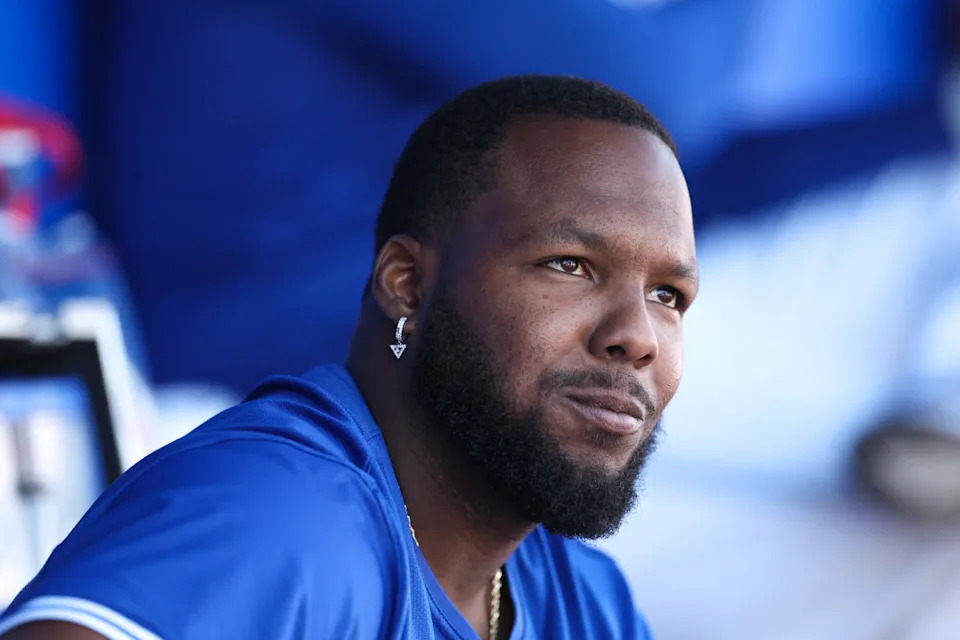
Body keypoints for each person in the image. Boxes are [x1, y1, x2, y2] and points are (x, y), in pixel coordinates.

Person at [0, 75, 698, 640]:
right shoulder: (279, 520)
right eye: (570, 264)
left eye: (668, 294)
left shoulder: (581, 600)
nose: (636, 334)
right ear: (407, 286)